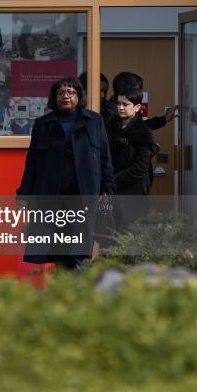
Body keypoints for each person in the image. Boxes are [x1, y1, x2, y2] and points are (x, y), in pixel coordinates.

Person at [17, 76, 114, 270]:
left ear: (79, 96)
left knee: (79, 248)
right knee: (56, 247)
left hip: (82, 195)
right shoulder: (43, 124)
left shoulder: (94, 120)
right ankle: (63, 290)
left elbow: (105, 157)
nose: (65, 96)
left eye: (71, 92)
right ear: (54, 97)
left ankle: (77, 291)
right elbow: (33, 162)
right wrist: (24, 193)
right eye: (60, 92)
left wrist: (107, 187)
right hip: (52, 195)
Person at [106, 86, 154, 230]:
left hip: (132, 193)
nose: (120, 107)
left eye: (125, 104)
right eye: (118, 103)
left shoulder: (142, 132)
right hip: (112, 192)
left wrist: (114, 181)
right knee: (108, 235)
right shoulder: (112, 123)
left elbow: (140, 167)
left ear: (137, 107)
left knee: (127, 234)